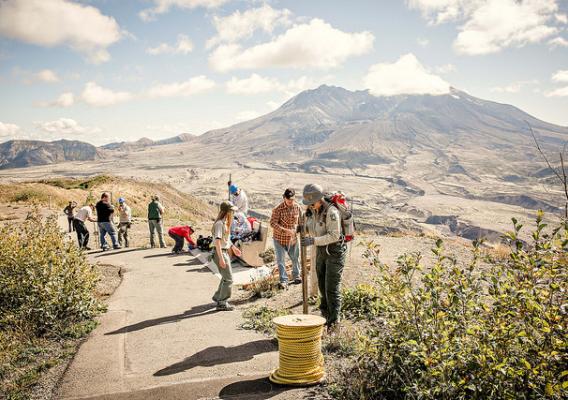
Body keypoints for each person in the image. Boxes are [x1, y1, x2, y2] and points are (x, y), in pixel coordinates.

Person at [300, 183, 346, 330]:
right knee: (321, 284)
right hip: (321, 251)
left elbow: (334, 235)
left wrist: (313, 240)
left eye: (312, 202)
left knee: (331, 288)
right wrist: (302, 228)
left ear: (319, 199)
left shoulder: (331, 212)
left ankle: (334, 322)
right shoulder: (314, 211)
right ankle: (325, 316)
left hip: (334, 252)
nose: (310, 206)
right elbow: (312, 228)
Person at [211, 201, 242, 311]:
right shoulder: (219, 224)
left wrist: (233, 248)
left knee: (225, 277)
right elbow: (218, 242)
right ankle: (222, 303)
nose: (233, 213)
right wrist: (221, 258)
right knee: (229, 279)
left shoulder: (224, 223)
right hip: (220, 253)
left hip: (223, 252)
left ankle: (217, 297)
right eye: (232, 211)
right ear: (227, 212)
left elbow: (226, 240)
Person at [270, 188, 302, 289]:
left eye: (292, 199)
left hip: (292, 239)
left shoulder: (297, 207)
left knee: (295, 258)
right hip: (279, 239)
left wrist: (296, 230)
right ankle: (283, 280)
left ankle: (296, 276)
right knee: (281, 260)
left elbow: (301, 222)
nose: (290, 202)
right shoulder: (278, 209)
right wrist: (285, 230)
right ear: (284, 198)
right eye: (288, 200)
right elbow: (272, 223)